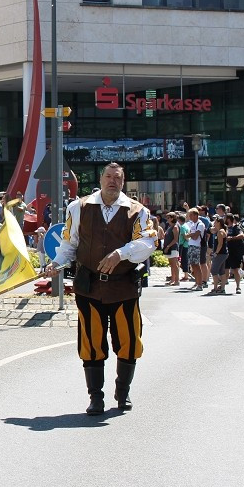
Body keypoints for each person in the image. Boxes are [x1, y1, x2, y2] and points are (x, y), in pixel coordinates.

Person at [42, 163, 156, 415]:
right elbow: (69, 244)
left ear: (123, 182)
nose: (112, 181)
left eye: (118, 178)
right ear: (101, 179)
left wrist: (121, 253)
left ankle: (122, 392)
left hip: (123, 287)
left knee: (127, 342)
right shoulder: (78, 207)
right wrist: (56, 264)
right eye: (108, 176)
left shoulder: (137, 211)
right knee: (91, 342)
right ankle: (96, 397)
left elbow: (147, 243)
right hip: (89, 287)